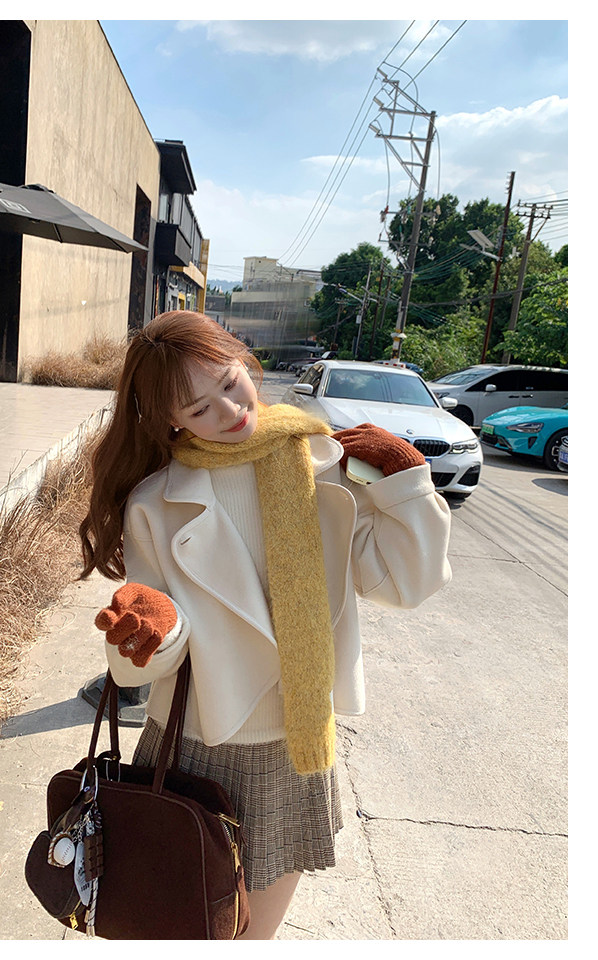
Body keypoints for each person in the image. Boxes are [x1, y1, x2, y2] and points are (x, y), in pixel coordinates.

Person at [79, 311, 452, 940]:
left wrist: (407, 483)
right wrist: (153, 628)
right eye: (199, 408)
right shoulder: (155, 502)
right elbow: (145, 660)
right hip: (197, 741)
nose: (230, 410)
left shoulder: (323, 464)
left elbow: (404, 584)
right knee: (182, 929)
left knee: (253, 937)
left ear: (244, 361)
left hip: (296, 743)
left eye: (231, 382)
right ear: (169, 419)